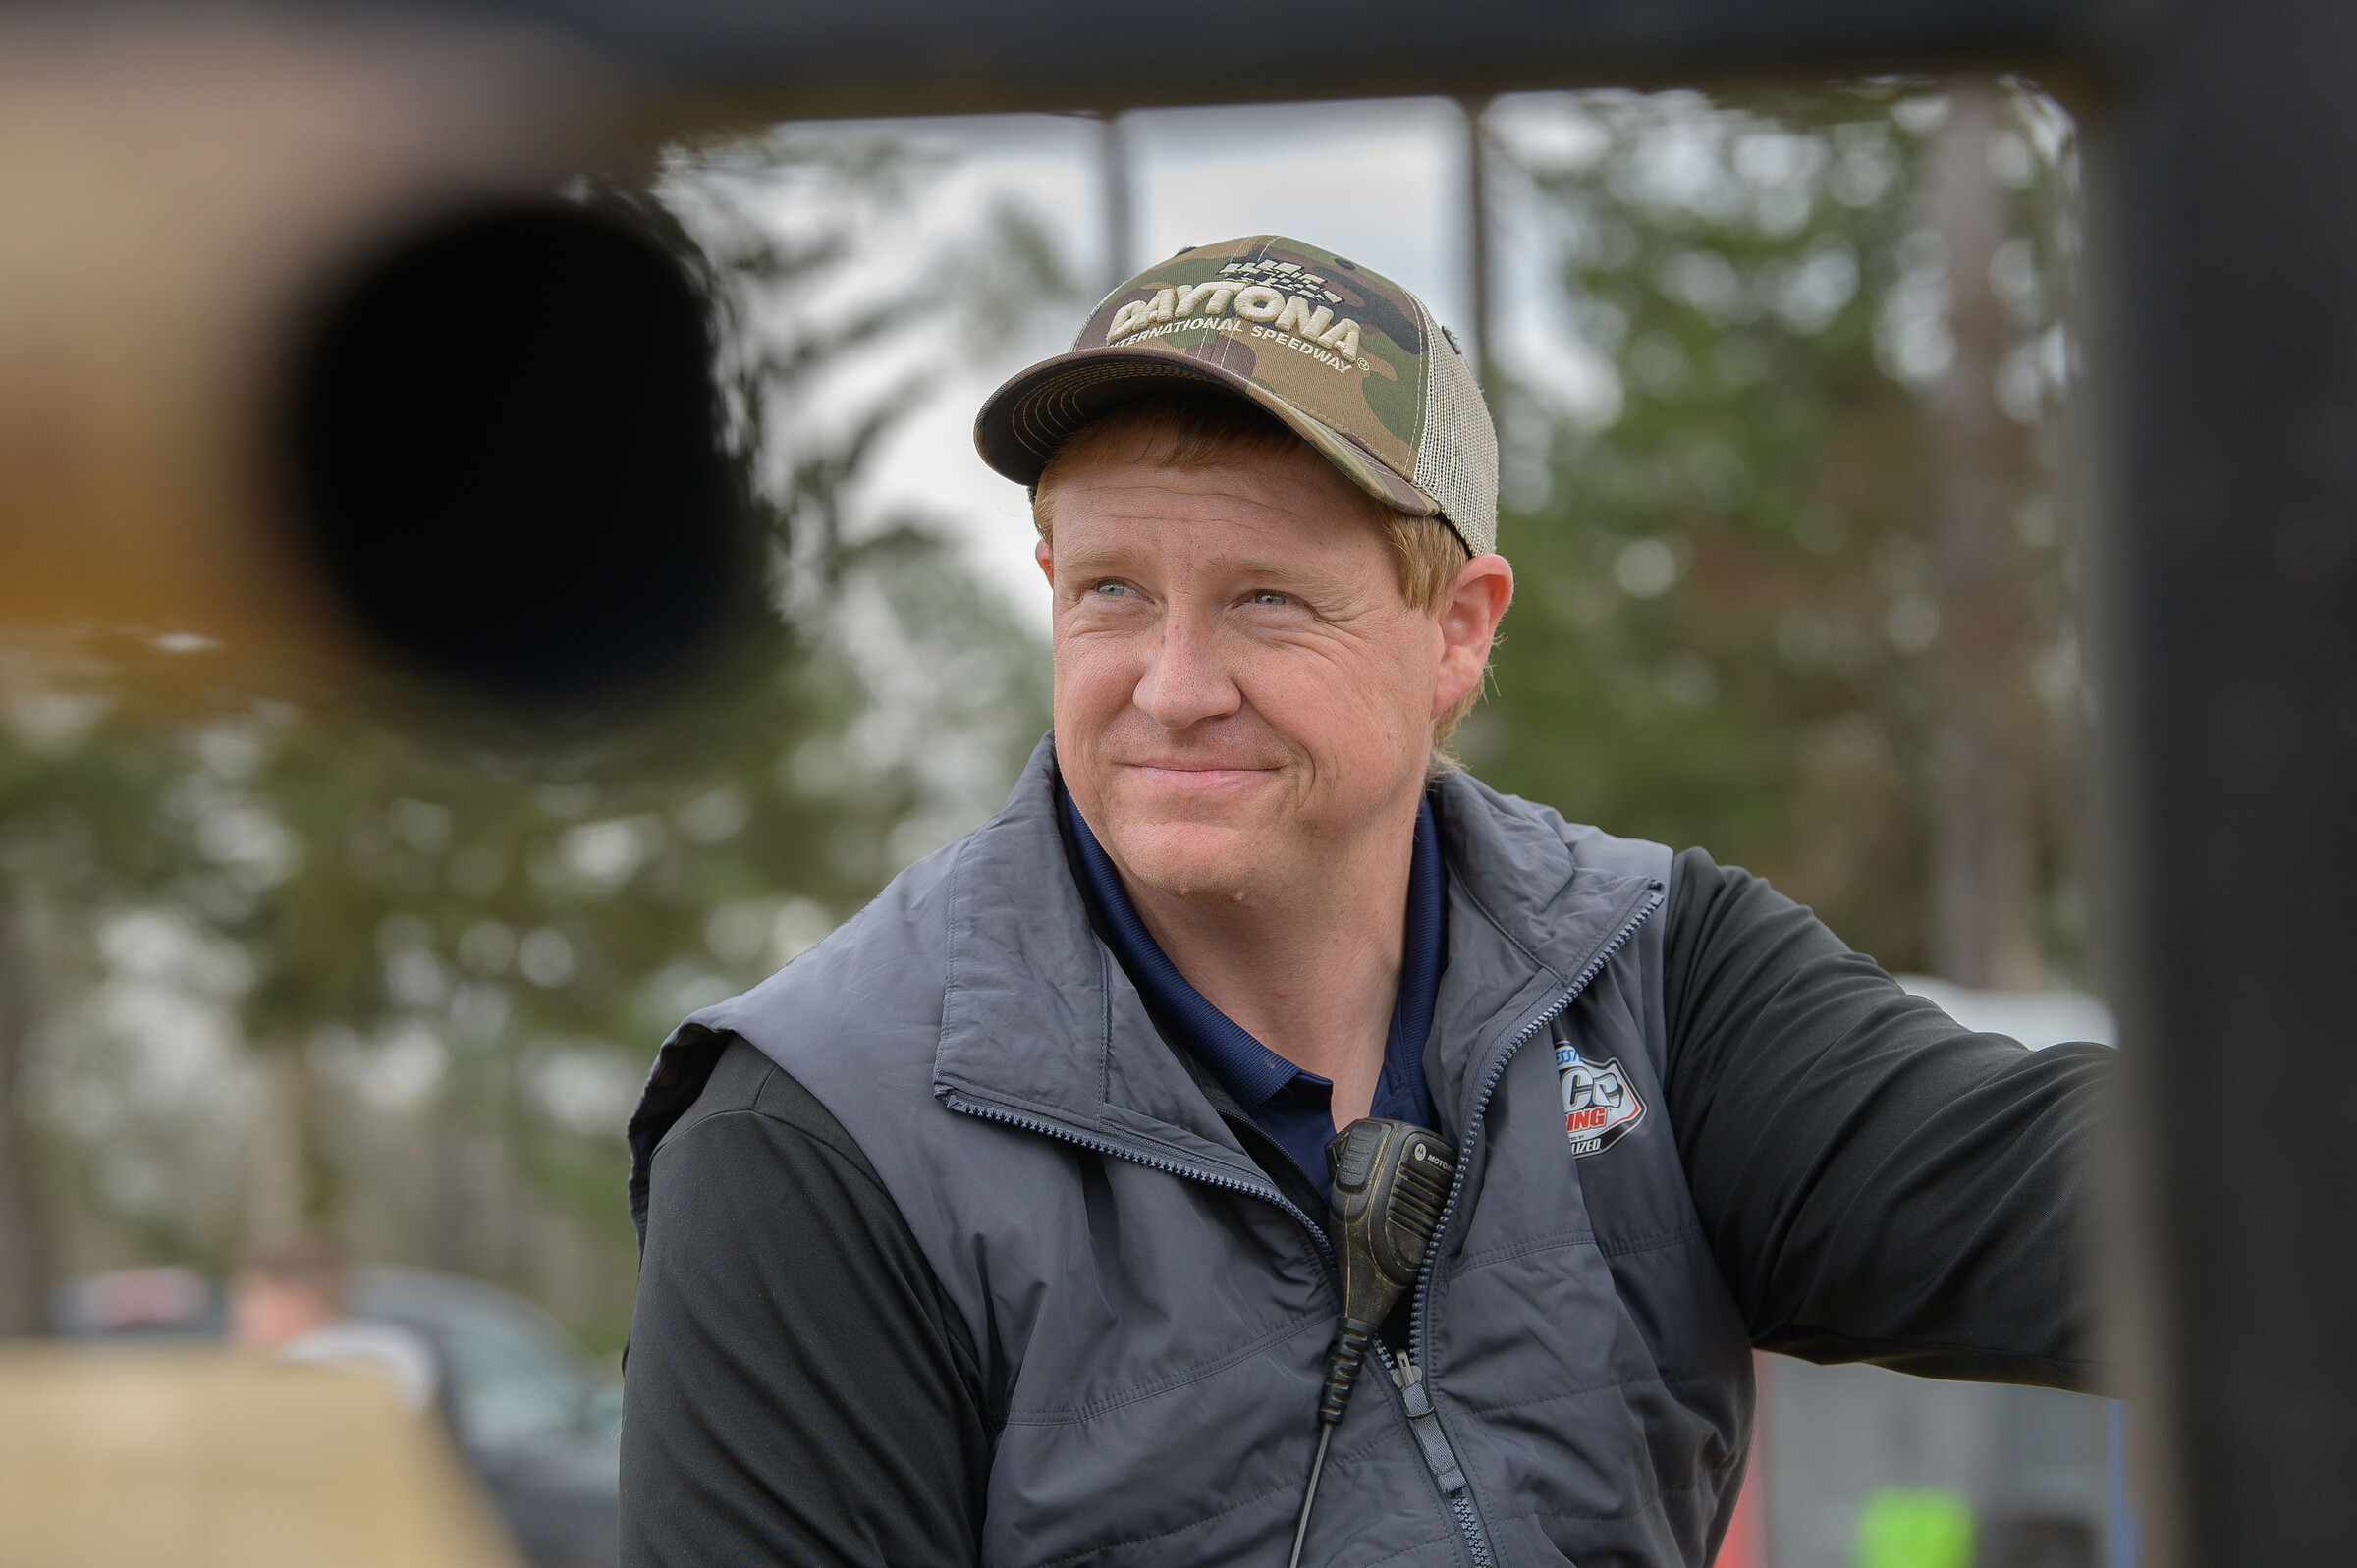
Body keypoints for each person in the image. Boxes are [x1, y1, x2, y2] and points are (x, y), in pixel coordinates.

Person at [620, 235, 2110, 1568]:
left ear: (1457, 631)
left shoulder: (1651, 980)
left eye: (1267, 597)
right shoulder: (815, 1137)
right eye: (1113, 593)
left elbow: (2129, 1207)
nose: (1174, 686)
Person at [230, 1234, 439, 1415]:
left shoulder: (294, 1375)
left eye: (253, 1296)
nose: (238, 1313)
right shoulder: (398, 1355)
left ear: (299, 1303)